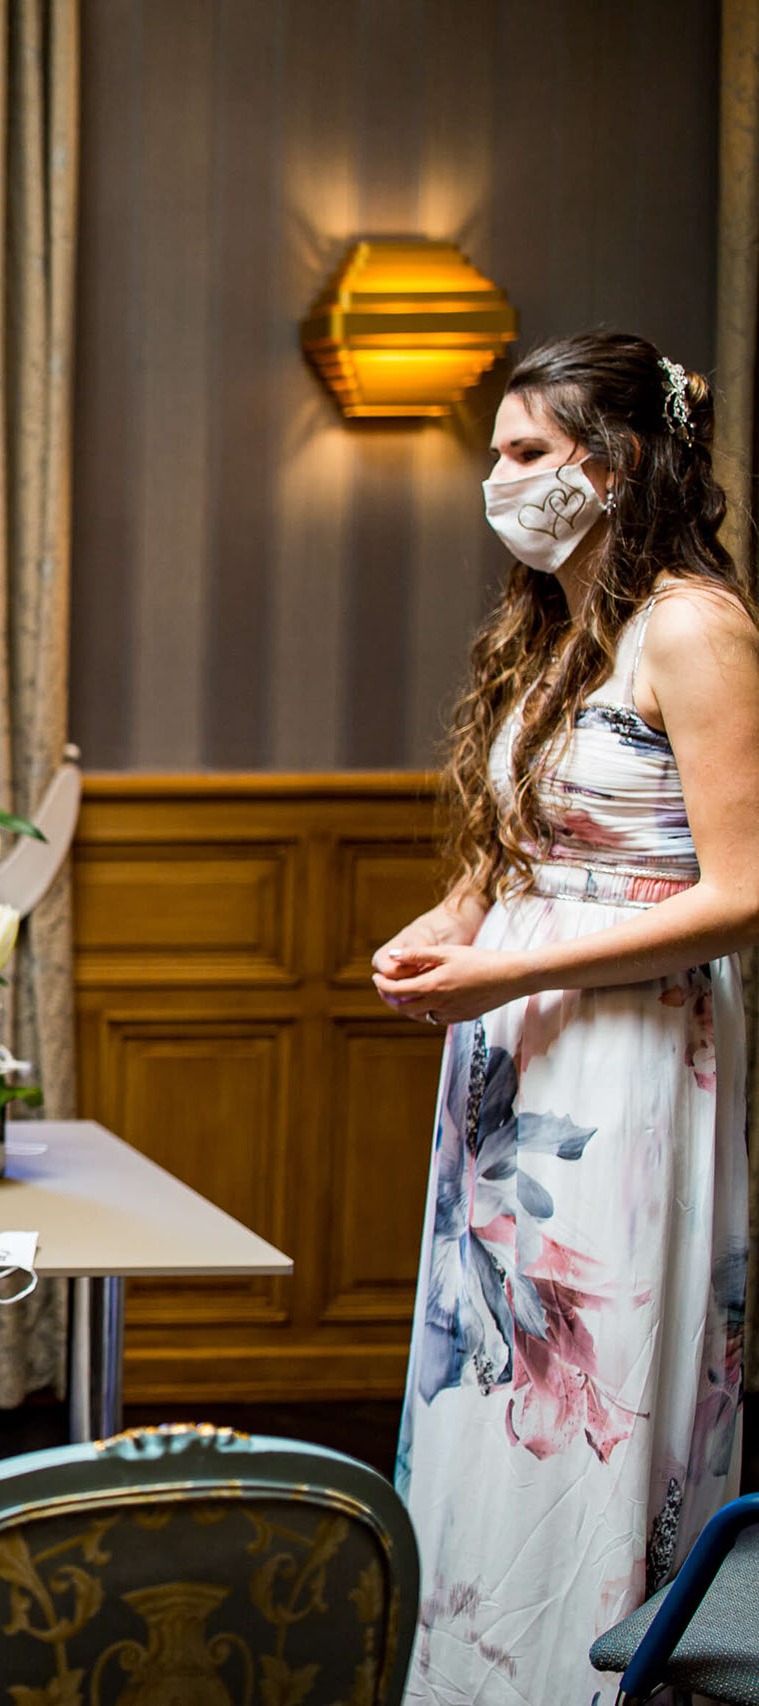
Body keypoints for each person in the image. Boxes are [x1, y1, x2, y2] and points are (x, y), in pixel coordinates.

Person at [376, 332, 751, 1701]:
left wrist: (516, 973)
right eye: (496, 453)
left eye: (526, 451)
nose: (499, 479)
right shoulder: (556, 631)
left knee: (583, 1371)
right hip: (513, 1059)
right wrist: (455, 921)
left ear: (620, 462)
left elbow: (741, 895)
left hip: (626, 1061)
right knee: (490, 1377)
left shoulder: (695, 628)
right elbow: (524, 845)